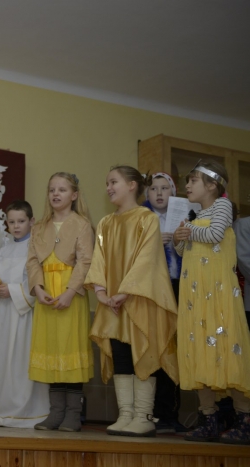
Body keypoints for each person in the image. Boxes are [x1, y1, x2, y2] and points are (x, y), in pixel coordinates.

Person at [85, 165, 179, 438]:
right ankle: (125, 414)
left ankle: (143, 416)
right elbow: (99, 259)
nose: (108, 187)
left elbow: (148, 260)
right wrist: (101, 293)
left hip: (139, 300)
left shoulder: (147, 219)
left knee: (143, 351)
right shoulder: (106, 223)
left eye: (113, 182)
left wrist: (125, 292)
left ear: (131, 185)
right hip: (112, 303)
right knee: (121, 355)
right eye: (107, 183)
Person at [173, 160, 250, 444]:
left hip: (219, 297)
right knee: (199, 352)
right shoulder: (193, 216)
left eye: (192, 180)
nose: (187, 185)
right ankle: (209, 418)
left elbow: (216, 234)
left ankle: (244, 419)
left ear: (212, 185)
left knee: (229, 351)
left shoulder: (222, 206)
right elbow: (184, 251)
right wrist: (178, 239)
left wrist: (189, 232)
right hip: (195, 299)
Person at [26, 172, 94, 432]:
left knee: (70, 349)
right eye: (52, 189)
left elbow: (85, 261)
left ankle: (73, 414)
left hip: (70, 295)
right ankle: (55, 413)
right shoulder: (39, 227)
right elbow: (32, 260)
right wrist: (37, 287)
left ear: (74, 195)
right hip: (47, 295)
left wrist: (70, 292)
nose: (55, 194)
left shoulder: (82, 225)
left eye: (62, 190)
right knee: (53, 350)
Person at [0, 200, 49, 427]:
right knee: (2, 362)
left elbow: (38, 281)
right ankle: (2, 411)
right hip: (4, 315)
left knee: (21, 363)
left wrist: (13, 291)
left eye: (21, 221)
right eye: (11, 222)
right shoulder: (4, 248)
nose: (16, 226)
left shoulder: (36, 247)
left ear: (31, 221)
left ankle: (27, 413)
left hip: (24, 315)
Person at [141, 172, 186, 433]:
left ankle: (170, 413)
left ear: (174, 192)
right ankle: (149, 412)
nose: (159, 193)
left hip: (180, 287)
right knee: (153, 347)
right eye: (153, 188)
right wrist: (154, 242)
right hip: (152, 288)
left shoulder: (186, 217)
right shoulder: (141, 218)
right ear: (146, 194)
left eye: (164, 188)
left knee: (174, 348)